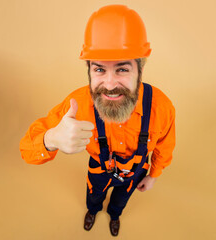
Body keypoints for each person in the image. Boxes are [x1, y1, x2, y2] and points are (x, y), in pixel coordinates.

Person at [20, 4, 176, 237]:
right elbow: (27, 149)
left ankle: (114, 216)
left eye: (122, 69)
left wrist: (154, 175)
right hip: (98, 170)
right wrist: (51, 138)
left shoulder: (161, 108)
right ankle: (92, 211)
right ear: (89, 70)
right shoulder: (77, 104)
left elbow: (165, 146)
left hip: (136, 174)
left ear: (140, 70)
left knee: (120, 201)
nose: (110, 85)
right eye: (100, 70)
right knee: (93, 197)